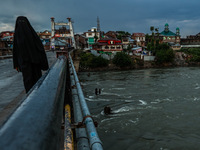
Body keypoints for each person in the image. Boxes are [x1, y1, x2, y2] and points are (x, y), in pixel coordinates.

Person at [13, 16, 49, 93]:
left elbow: (15, 51)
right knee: (37, 81)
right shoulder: (33, 34)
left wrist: (16, 64)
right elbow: (40, 49)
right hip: (35, 61)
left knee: (28, 82)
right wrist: (44, 64)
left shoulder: (17, 34)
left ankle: (30, 98)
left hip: (24, 63)